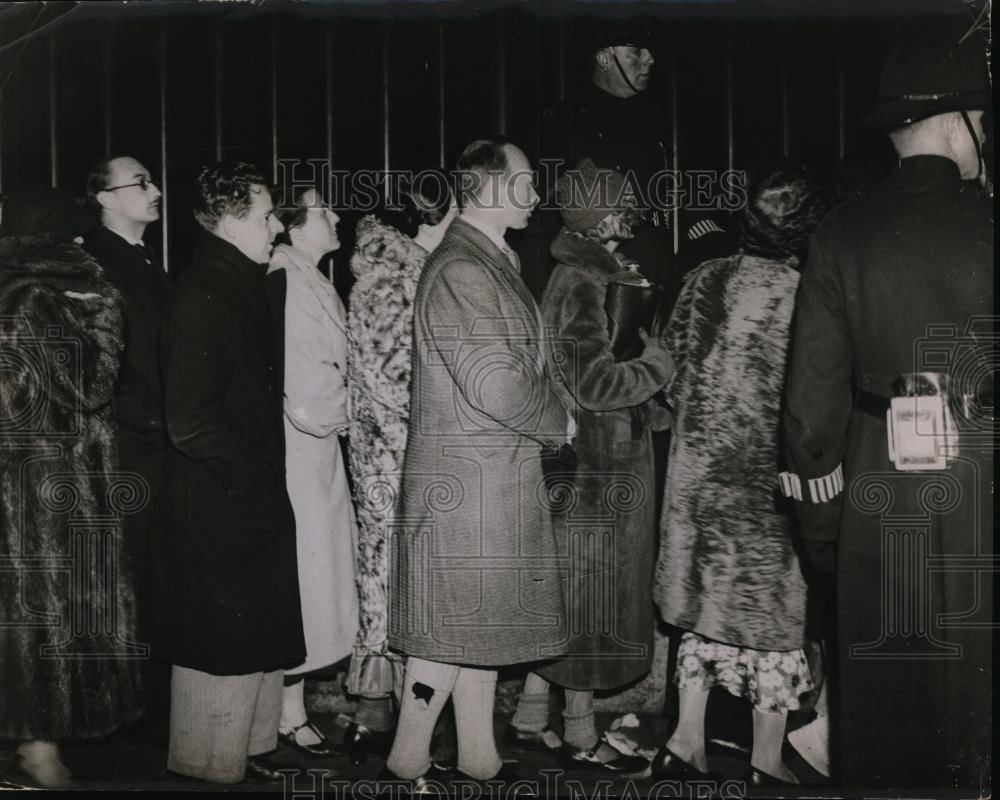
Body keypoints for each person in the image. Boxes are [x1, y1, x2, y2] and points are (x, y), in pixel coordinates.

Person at [783, 22, 992, 791]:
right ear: (956, 121)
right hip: (985, 492)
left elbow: (809, 420)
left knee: (888, 718)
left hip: (880, 498)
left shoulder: (841, 235)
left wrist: (823, 534)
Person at [385, 138, 572, 788]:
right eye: (525, 180)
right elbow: (494, 382)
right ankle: (404, 764)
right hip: (470, 490)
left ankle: (478, 757)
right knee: (446, 636)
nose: (536, 193)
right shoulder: (464, 269)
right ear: (489, 188)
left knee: (477, 628)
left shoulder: (487, 259)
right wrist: (560, 419)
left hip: (486, 482)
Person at [652, 167, 828, 787]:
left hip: (700, 480)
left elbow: (664, 373)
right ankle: (765, 757)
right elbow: (813, 398)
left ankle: (685, 741)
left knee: (705, 611)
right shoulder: (808, 294)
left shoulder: (706, 278)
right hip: (764, 486)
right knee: (774, 617)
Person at [506, 159, 674, 774]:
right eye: (624, 201)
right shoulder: (583, 281)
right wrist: (660, 367)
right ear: (604, 216)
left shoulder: (586, 275)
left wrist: (650, 411)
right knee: (590, 603)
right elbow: (594, 381)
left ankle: (529, 715)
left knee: (570, 597)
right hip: (597, 476)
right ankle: (579, 732)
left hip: (591, 466)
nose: (632, 210)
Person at [154, 161, 305, 784]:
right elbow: (189, 420)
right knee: (221, 642)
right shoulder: (203, 293)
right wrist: (253, 472)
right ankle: (209, 767)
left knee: (248, 636)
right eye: (267, 214)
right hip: (221, 500)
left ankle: (239, 756)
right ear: (232, 217)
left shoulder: (238, 283)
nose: (277, 226)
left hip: (242, 495)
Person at [0, 186, 144, 788]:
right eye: (80, 237)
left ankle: (35, 744)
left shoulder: (17, 293)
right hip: (48, 491)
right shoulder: (38, 299)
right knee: (46, 618)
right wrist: (105, 307)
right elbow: (90, 385)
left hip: (33, 484)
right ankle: (38, 751)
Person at [343, 174, 457, 764]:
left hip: (404, 453)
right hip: (395, 456)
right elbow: (396, 379)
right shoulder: (392, 280)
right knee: (391, 581)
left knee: (398, 580)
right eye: (452, 214)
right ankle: (376, 712)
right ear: (425, 222)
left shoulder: (409, 273)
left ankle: (401, 714)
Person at [266, 185, 358, 758]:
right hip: (300, 454)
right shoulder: (290, 280)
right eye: (326, 209)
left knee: (313, 584)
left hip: (317, 456)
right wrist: (357, 411)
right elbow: (307, 389)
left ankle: (288, 710)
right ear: (297, 225)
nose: (337, 215)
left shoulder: (310, 276)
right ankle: (283, 714)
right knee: (304, 583)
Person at [83, 155, 171, 745]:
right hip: (128, 452)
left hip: (153, 448)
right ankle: (121, 735)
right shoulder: (96, 263)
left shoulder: (141, 261)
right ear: (106, 198)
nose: (155, 190)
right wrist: (150, 419)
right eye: (140, 182)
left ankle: (146, 728)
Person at [514, 21, 672, 300]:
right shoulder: (561, 123)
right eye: (635, 51)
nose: (650, 58)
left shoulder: (650, 120)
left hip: (648, 268)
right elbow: (541, 219)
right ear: (604, 59)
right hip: (595, 284)